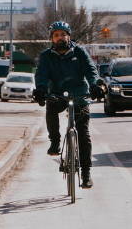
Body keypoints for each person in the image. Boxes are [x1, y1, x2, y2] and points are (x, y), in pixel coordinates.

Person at [33, 21, 103, 189]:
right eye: (56, 35)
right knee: (51, 109)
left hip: (79, 94)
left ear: (69, 36)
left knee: (83, 134)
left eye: (63, 34)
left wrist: (95, 85)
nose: (60, 38)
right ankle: (55, 142)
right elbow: (41, 75)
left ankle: (86, 174)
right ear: (52, 39)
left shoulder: (80, 52)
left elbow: (90, 71)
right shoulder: (46, 56)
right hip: (57, 93)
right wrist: (41, 90)